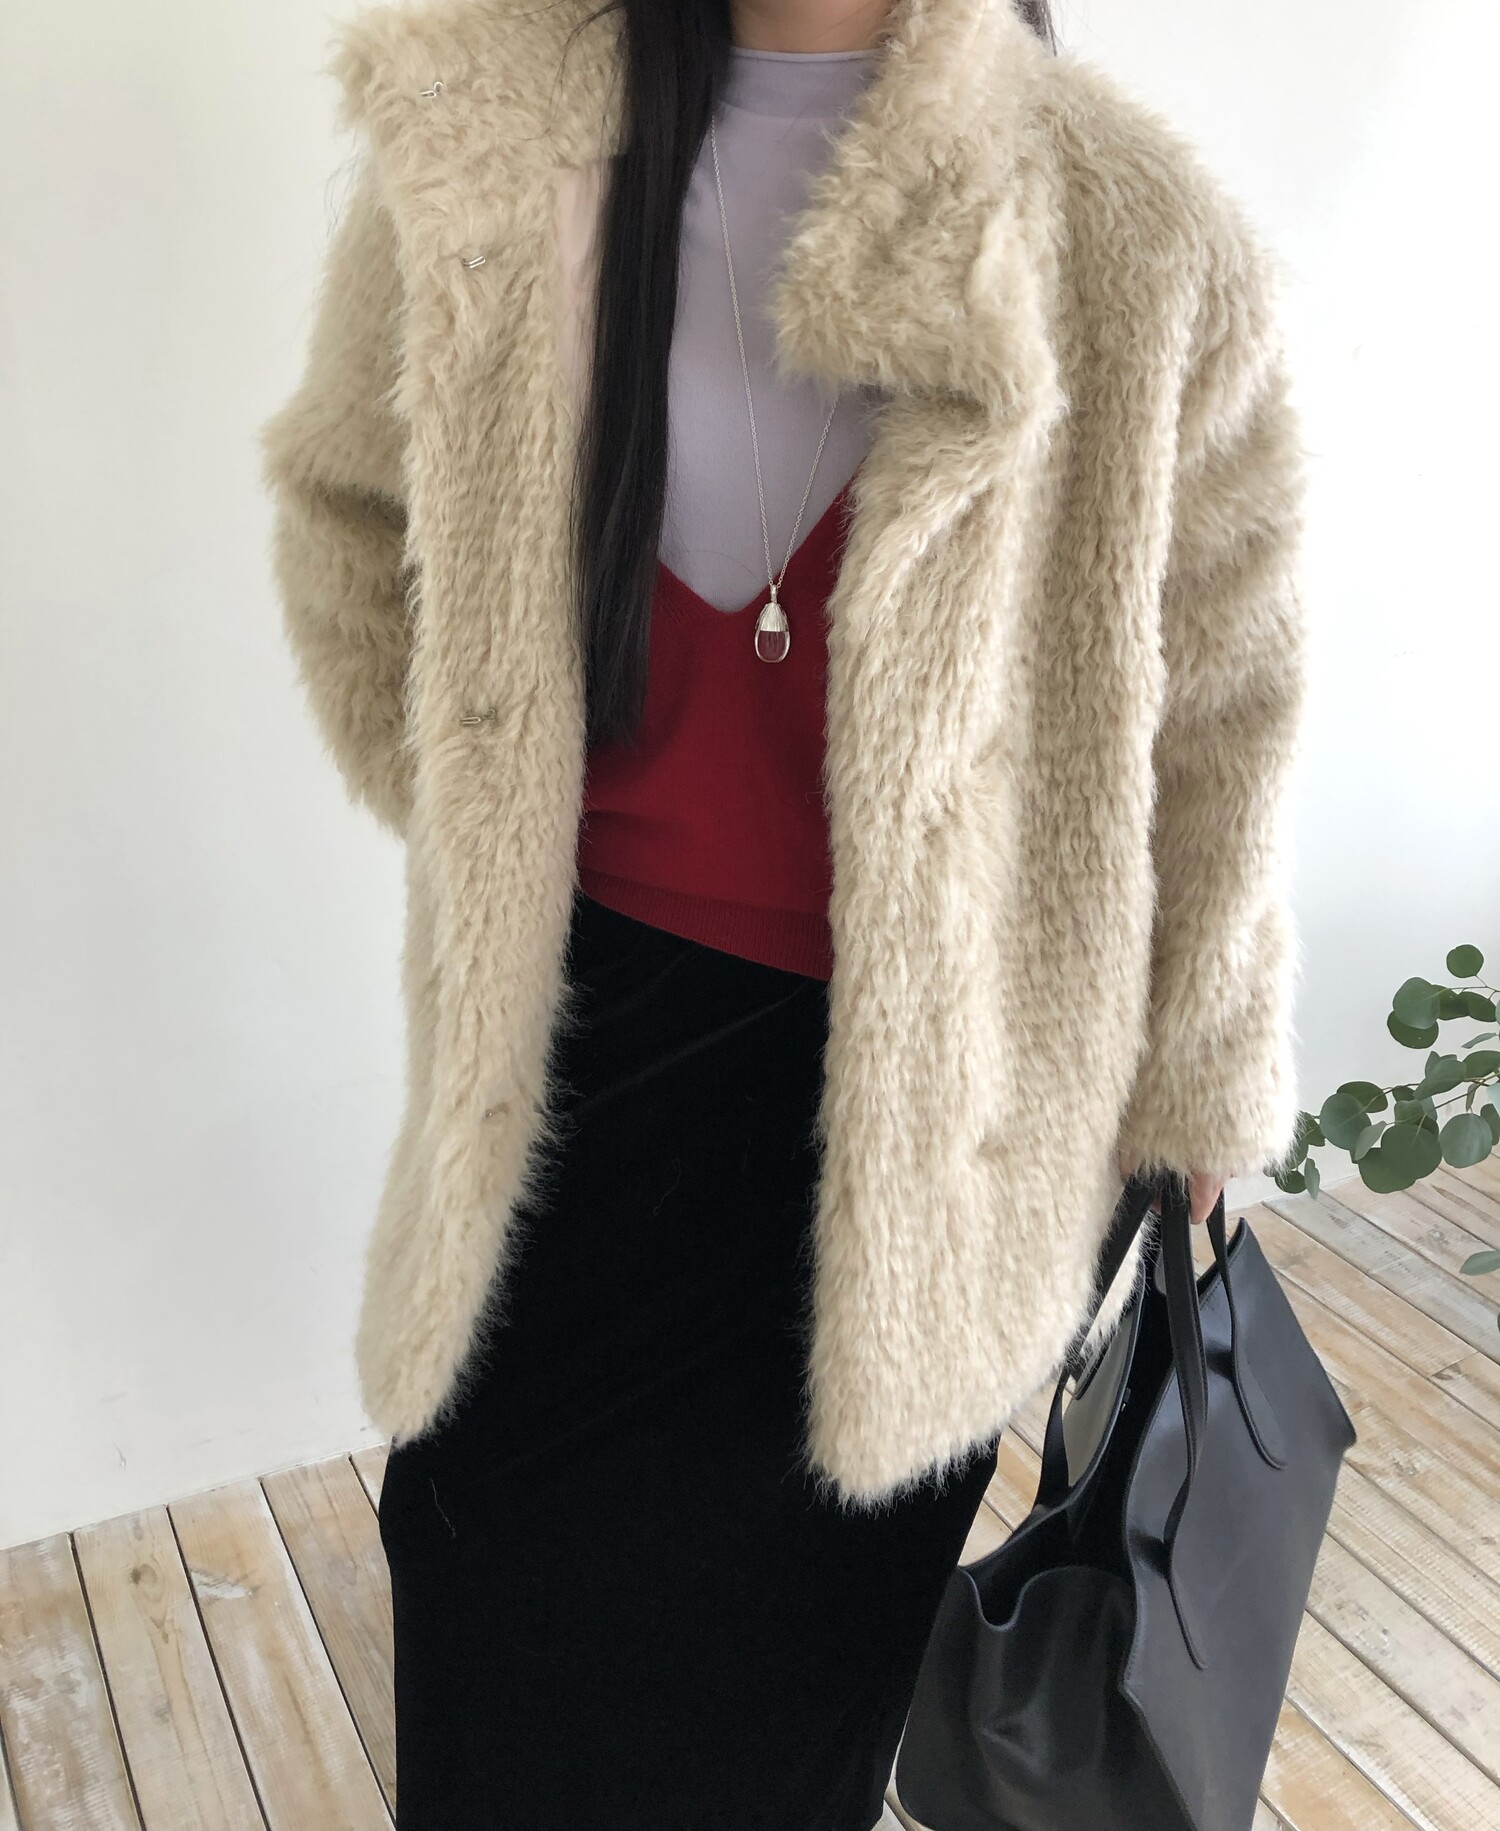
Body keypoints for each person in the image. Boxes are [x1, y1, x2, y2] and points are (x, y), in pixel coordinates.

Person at [259, 0, 1309, 1824]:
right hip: (566, 1087)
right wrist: (488, 796)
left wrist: (1205, 1075)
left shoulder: (1129, 233)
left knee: (778, 1726)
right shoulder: (479, 127)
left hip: (932, 1128)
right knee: (494, 1651)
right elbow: (348, 509)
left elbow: (1227, 704)